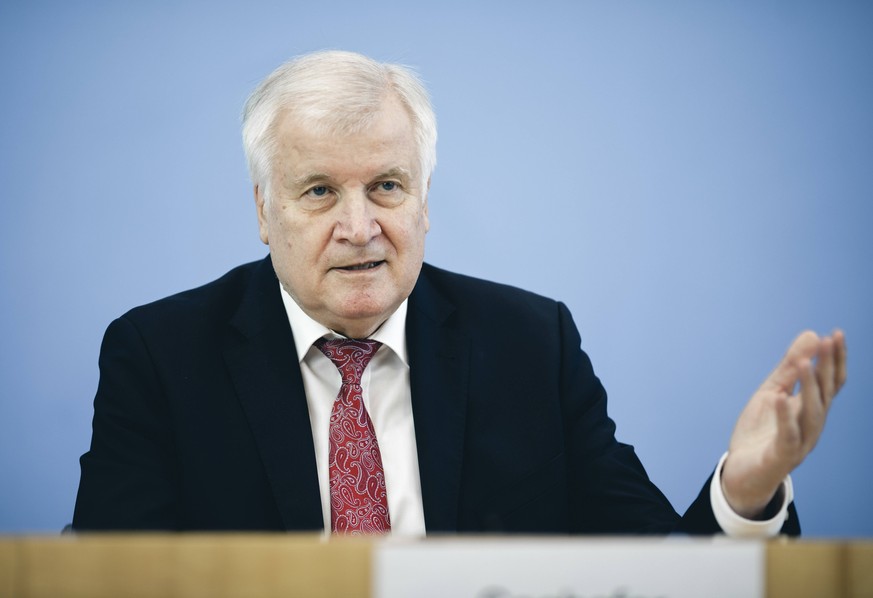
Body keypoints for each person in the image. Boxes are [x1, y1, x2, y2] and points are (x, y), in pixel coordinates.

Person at [72, 50, 847, 536]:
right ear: (263, 212)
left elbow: (657, 576)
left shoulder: (527, 343)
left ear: (424, 200)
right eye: (316, 191)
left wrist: (744, 495)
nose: (359, 226)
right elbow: (106, 583)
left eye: (386, 186)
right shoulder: (162, 355)